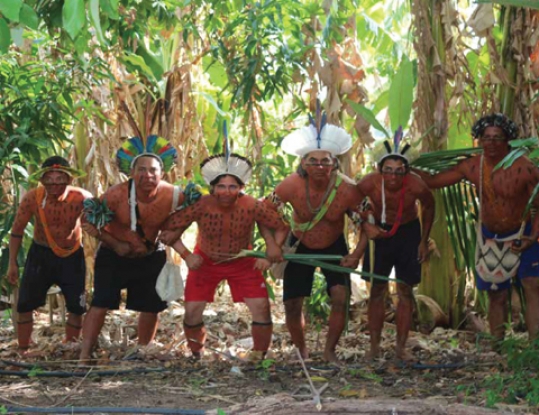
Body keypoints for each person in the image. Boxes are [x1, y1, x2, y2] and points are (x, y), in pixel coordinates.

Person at [415, 114, 539, 341]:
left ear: (508, 140)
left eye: (497, 138)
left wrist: (533, 237)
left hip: (523, 233)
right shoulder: (473, 166)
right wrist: (405, 169)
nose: (491, 143)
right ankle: (498, 347)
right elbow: (433, 182)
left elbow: (538, 205)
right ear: (479, 140)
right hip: (490, 237)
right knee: (496, 295)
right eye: (486, 138)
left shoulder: (524, 167)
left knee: (533, 285)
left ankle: (534, 348)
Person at [160, 151, 289, 360]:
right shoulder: (201, 204)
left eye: (232, 187)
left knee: (261, 307)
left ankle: (260, 355)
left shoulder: (252, 205)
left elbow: (282, 226)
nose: (226, 192)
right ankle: (196, 355)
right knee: (192, 311)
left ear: (241, 188)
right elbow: (168, 231)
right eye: (221, 186)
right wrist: (186, 256)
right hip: (205, 261)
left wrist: (271, 251)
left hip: (243, 262)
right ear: (213, 187)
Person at [265, 107, 366, 364]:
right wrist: (273, 244)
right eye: (313, 161)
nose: (319, 166)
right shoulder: (290, 186)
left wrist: (356, 254)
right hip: (300, 245)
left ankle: (329, 350)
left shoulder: (347, 189)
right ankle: (301, 351)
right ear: (303, 163)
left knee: (341, 297)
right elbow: (263, 212)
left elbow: (366, 223)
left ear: (334, 163)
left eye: (325, 161)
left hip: (334, 244)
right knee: (292, 302)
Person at [79, 135, 183, 362]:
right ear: (132, 173)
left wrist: (176, 232)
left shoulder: (173, 194)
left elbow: (198, 209)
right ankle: (84, 354)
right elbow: (88, 218)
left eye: (153, 170)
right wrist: (116, 243)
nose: (148, 175)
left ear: (162, 173)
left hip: (150, 254)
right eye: (142, 170)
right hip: (113, 255)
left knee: (151, 306)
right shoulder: (116, 195)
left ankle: (144, 350)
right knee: (100, 303)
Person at [355, 128, 435, 360]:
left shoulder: (416, 185)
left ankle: (401, 347)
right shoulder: (369, 183)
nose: (393, 176)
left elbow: (429, 206)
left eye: (399, 171)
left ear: (406, 171)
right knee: (377, 290)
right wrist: (365, 225)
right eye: (388, 170)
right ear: (380, 169)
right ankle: (374, 347)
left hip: (408, 233)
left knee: (405, 290)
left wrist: (423, 240)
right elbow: (352, 204)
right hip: (379, 234)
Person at [6, 156, 91, 355]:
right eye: (49, 179)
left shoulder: (83, 199)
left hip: (72, 256)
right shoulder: (32, 198)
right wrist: (12, 263)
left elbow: (98, 224)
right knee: (25, 303)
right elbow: (17, 231)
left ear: (70, 180)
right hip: (40, 255)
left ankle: (70, 346)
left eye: (60, 179)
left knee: (76, 306)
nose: (54, 184)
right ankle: (23, 349)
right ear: (42, 180)